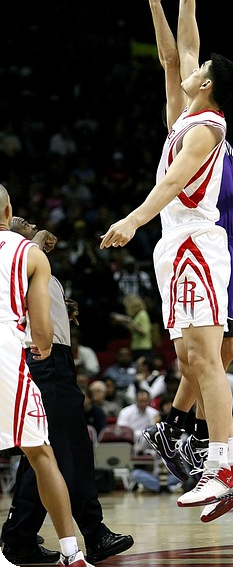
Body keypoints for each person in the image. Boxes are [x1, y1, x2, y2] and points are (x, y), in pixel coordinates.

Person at [100, 0, 233, 516]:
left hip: (196, 242)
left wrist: (132, 220)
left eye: (199, 70)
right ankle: (207, 455)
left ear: (208, 84)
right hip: (178, 246)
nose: (186, 68)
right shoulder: (187, 116)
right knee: (192, 360)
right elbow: (176, 53)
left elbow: (172, 184)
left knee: (207, 357)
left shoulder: (207, 126)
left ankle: (227, 463)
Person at [1, 215, 134, 564]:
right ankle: (93, 532)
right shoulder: (19, 254)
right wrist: (36, 241)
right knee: (66, 449)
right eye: (18, 219)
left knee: (46, 452)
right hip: (38, 359)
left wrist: (60, 307)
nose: (27, 222)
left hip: (56, 359)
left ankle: (19, 537)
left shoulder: (33, 260)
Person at [0, 188, 92, 567]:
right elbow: (40, 327)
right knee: (42, 453)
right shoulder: (29, 254)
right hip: (12, 352)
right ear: (8, 210)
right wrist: (41, 343)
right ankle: (71, 551)